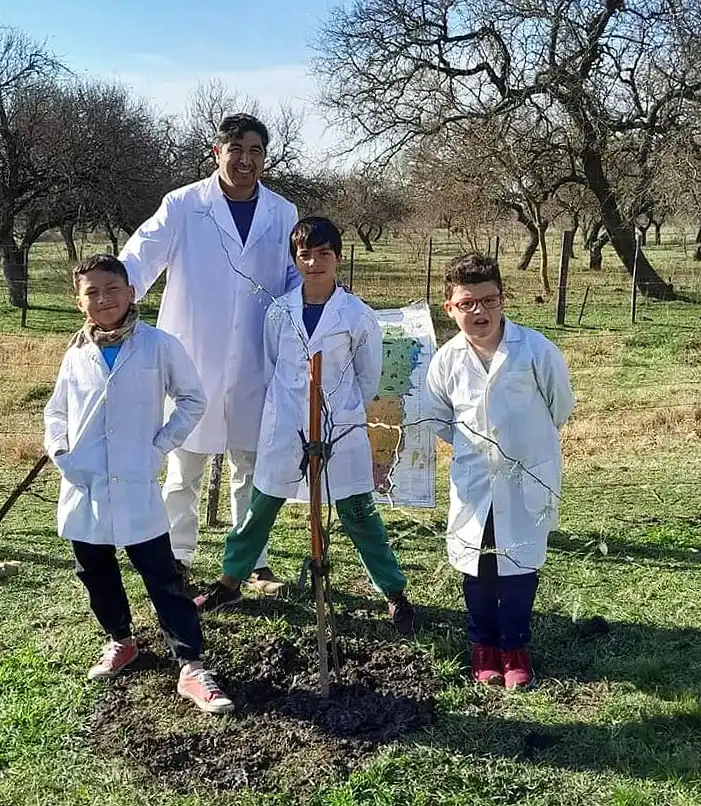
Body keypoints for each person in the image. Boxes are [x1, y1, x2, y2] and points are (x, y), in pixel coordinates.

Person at [194, 216, 416, 635]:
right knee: (260, 508)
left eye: (324, 254)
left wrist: (341, 409)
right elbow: (271, 364)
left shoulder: (356, 315)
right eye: (305, 254)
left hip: (340, 427)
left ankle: (393, 592)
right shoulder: (279, 311)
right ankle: (230, 581)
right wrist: (291, 406)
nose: (314, 263)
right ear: (295, 259)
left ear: (338, 257)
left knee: (358, 513)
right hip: (286, 424)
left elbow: (368, 376)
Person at [44, 253, 233, 714]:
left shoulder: (158, 346)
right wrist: (63, 453)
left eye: (112, 289)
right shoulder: (76, 354)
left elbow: (192, 399)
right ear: (79, 302)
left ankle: (191, 665)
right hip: (84, 485)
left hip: (135, 481)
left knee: (162, 576)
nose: (104, 299)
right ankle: (121, 640)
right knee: (95, 572)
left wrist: (159, 446)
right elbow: (56, 412)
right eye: (92, 292)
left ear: (131, 294)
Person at [119, 113, 299, 593]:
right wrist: (113, 297)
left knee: (252, 468)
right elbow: (142, 255)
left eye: (255, 151)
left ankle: (252, 562)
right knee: (183, 468)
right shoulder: (184, 205)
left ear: (265, 157)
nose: (245, 160)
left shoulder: (282, 212)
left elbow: (295, 274)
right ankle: (177, 558)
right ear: (216, 152)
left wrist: (317, 306)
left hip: (256, 359)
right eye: (235, 149)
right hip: (192, 356)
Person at [424, 253, 574, 689]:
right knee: (477, 565)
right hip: (475, 481)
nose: (479, 312)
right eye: (466, 303)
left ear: (503, 300)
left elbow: (559, 406)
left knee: (520, 564)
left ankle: (515, 646)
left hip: (527, 477)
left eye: (488, 301)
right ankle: (484, 644)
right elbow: (438, 419)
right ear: (450, 308)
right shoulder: (446, 361)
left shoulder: (536, 350)